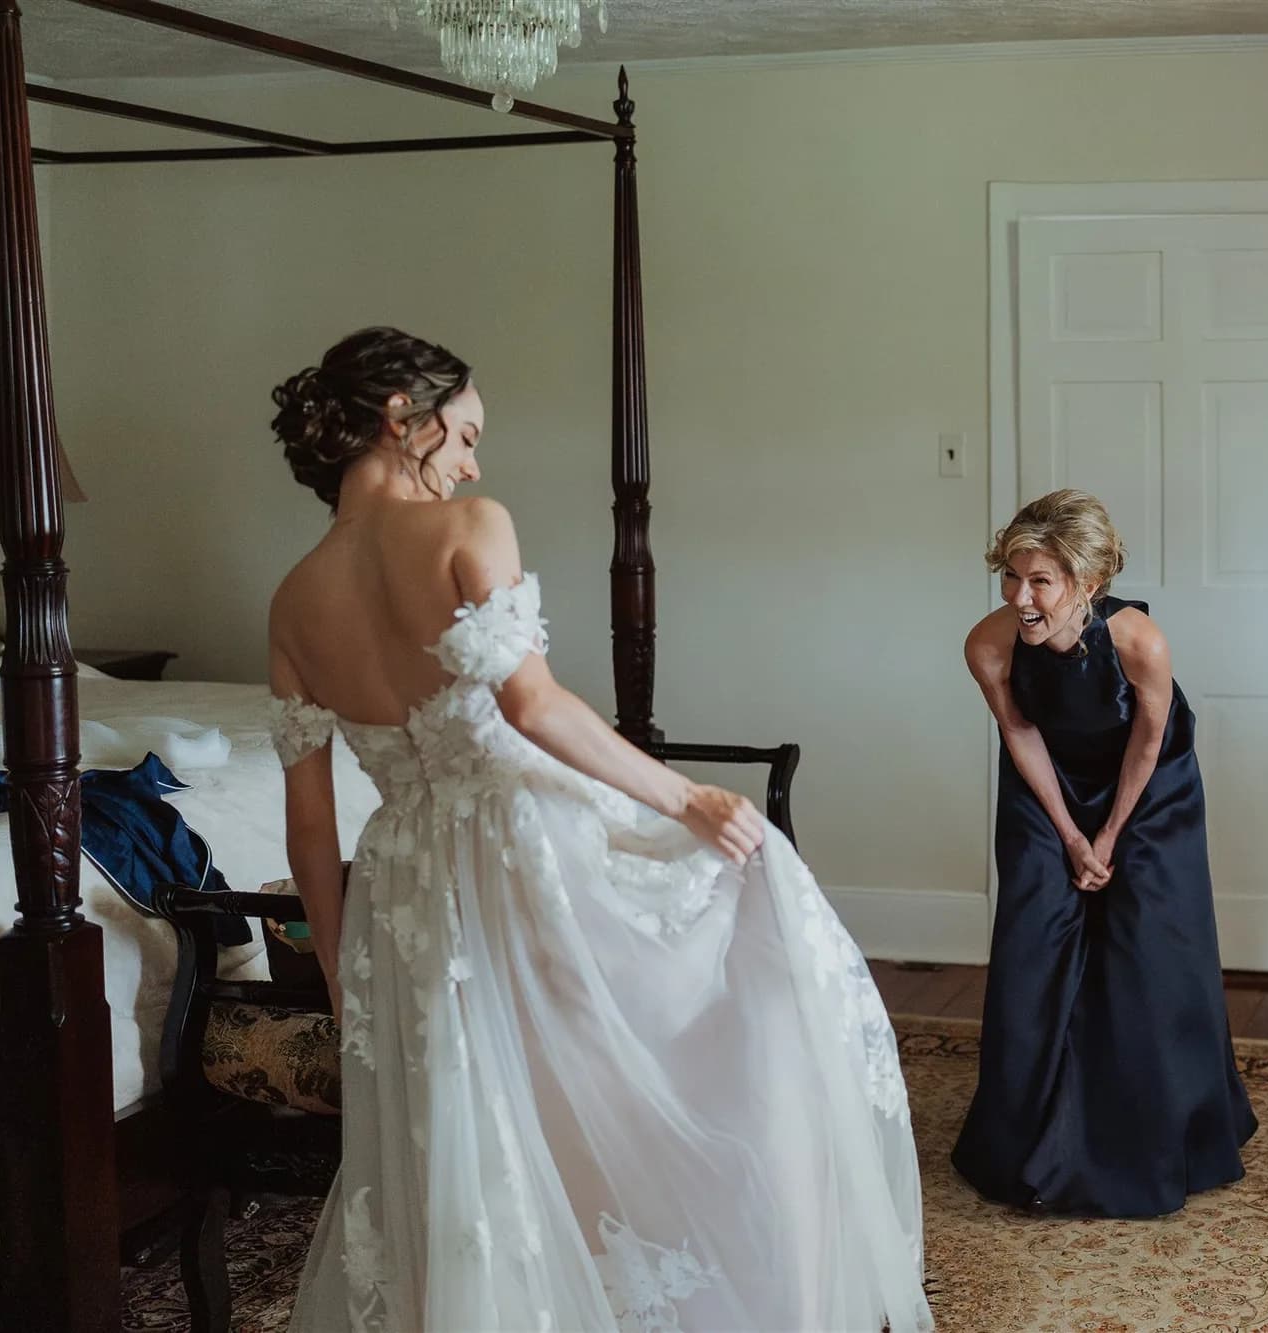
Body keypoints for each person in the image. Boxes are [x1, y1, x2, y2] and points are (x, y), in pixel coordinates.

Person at [265, 327, 930, 1332]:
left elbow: (309, 823)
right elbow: (532, 707)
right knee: (642, 1046)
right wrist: (686, 798)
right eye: (465, 433)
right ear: (403, 415)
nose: (472, 462)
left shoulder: (290, 599)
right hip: (517, 842)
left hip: (400, 885)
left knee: (473, 1114)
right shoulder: (467, 525)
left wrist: (335, 958)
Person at [951, 489, 1257, 1218]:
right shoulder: (987, 644)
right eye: (1011, 576)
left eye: (1040, 581)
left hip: (1148, 787)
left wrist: (1110, 835)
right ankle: (1021, 1142)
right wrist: (1069, 834)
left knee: (1148, 946)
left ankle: (1168, 1131)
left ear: (1087, 584)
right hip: (1045, 784)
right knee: (1033, 940)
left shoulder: (1138, 642)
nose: (1020, 597)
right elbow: (1020, 733)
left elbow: (1148, 742)